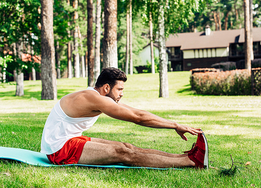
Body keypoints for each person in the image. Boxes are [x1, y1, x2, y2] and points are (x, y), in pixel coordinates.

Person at [41, 68, 207, 168]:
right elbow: (138, 118)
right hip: (59, 150)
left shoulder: (98, 97)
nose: (122, 93)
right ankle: (192, 162)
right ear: (106, 87)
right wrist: (175, 125)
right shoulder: (93, 98)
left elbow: (138, 112)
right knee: (123, 153)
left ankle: (185, 157)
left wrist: (174, 124)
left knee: (127, 146)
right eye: (119, 89)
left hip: (71, 140)